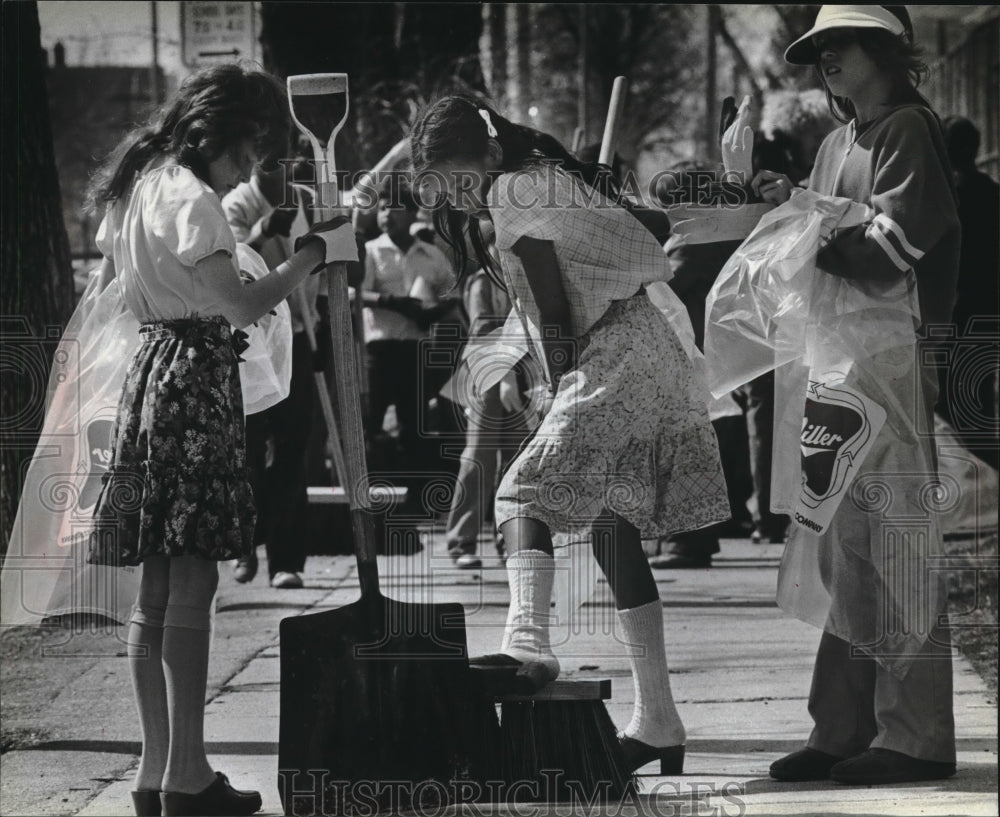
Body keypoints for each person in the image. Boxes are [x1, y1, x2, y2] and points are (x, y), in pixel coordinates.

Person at [410, 96, 730, 775]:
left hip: (610, 354)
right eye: (450, 192)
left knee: (520, 495)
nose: (465, 200)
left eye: (463, 182)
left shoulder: (514, 191)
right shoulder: (547, 180)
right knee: (614, 531)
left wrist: (553, 385)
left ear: (490, 157)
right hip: (649, 348)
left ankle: (527, 643)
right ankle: (660, 721)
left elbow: (554, 311)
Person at [84, 64, 354, 816]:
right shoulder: (192, 198)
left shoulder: (141, 183)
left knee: (159, 584)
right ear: (216, 131)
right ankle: (190, 775)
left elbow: (128, 283)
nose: (246, 167)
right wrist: (311, 256)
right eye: (245, 150)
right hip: (193, 379)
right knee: (193, 576)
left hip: (151, 370)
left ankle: (156, 770)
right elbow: (236, 305)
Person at [752, 5, 960, 785]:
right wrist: (794, 208)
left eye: (840, 45)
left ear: (883, 49)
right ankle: (844, 726)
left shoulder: (907, 128)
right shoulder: (838, 142)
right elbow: (828, 238)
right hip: (836, 364)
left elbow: (893, 247)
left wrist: (805, 224)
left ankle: (915, 735)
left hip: (890, 361)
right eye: (818, 50)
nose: (826, 59)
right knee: (844, 551)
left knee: (898, 546)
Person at [223, 157, 320, 590]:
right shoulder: (235, 205)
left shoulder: (311, 203)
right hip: (250, 346)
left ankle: (287, 559)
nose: (280, 164)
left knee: (291, 450)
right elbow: (232, 271)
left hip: (300, 337)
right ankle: (243, 545)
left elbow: (333, 265)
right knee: (245, 450)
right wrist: (265, 230)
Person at [443, 226, 532, 568]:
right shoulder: (483, 282)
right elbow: (483, 331)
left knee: (517, 459)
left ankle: (509, 539)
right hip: (488, 373)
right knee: (478, 456)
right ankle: (461, 542)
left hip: (523, 374)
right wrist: (505, 376)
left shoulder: (521, 277)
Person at [359, 176, 457, 482]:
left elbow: (452, 293)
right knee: (370, 422)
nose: (386, 214)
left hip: (415, 350)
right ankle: (372, 491)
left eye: (394, 208)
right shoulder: (370, 251)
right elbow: (352, 294)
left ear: (413, 213)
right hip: (378, 350)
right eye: (382, 208)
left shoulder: (431, 255)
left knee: (414, 424)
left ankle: (413, 495)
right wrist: (392, 302)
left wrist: (433, 313)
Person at [938, 115, 999, 469]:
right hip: (987, 313)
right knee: (980, 406)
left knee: (946, 410)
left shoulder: (944, 199)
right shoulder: (993, 193)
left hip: (950, 316)